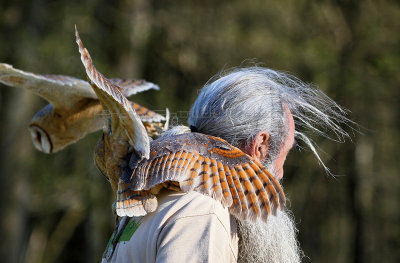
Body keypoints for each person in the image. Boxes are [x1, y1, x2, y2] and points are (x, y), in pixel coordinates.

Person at [101, 67, 351, 263]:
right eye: (284, 156)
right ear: (260, 146)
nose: (282, 174)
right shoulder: (202, 213)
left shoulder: (157, 200)